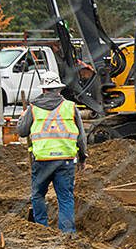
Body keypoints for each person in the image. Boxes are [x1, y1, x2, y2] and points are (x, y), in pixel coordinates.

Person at [15, 70, 86, 234]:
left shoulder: (33, 109)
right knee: (65, 197)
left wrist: (22, 117)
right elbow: (81, 136)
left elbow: (22, 131)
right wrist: (82, 157)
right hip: (65, 160)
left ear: (43, 90)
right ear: (59, 89)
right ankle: (67, 233)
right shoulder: (70, 107)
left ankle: (41, 229)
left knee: (38, 195)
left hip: (42, 160)